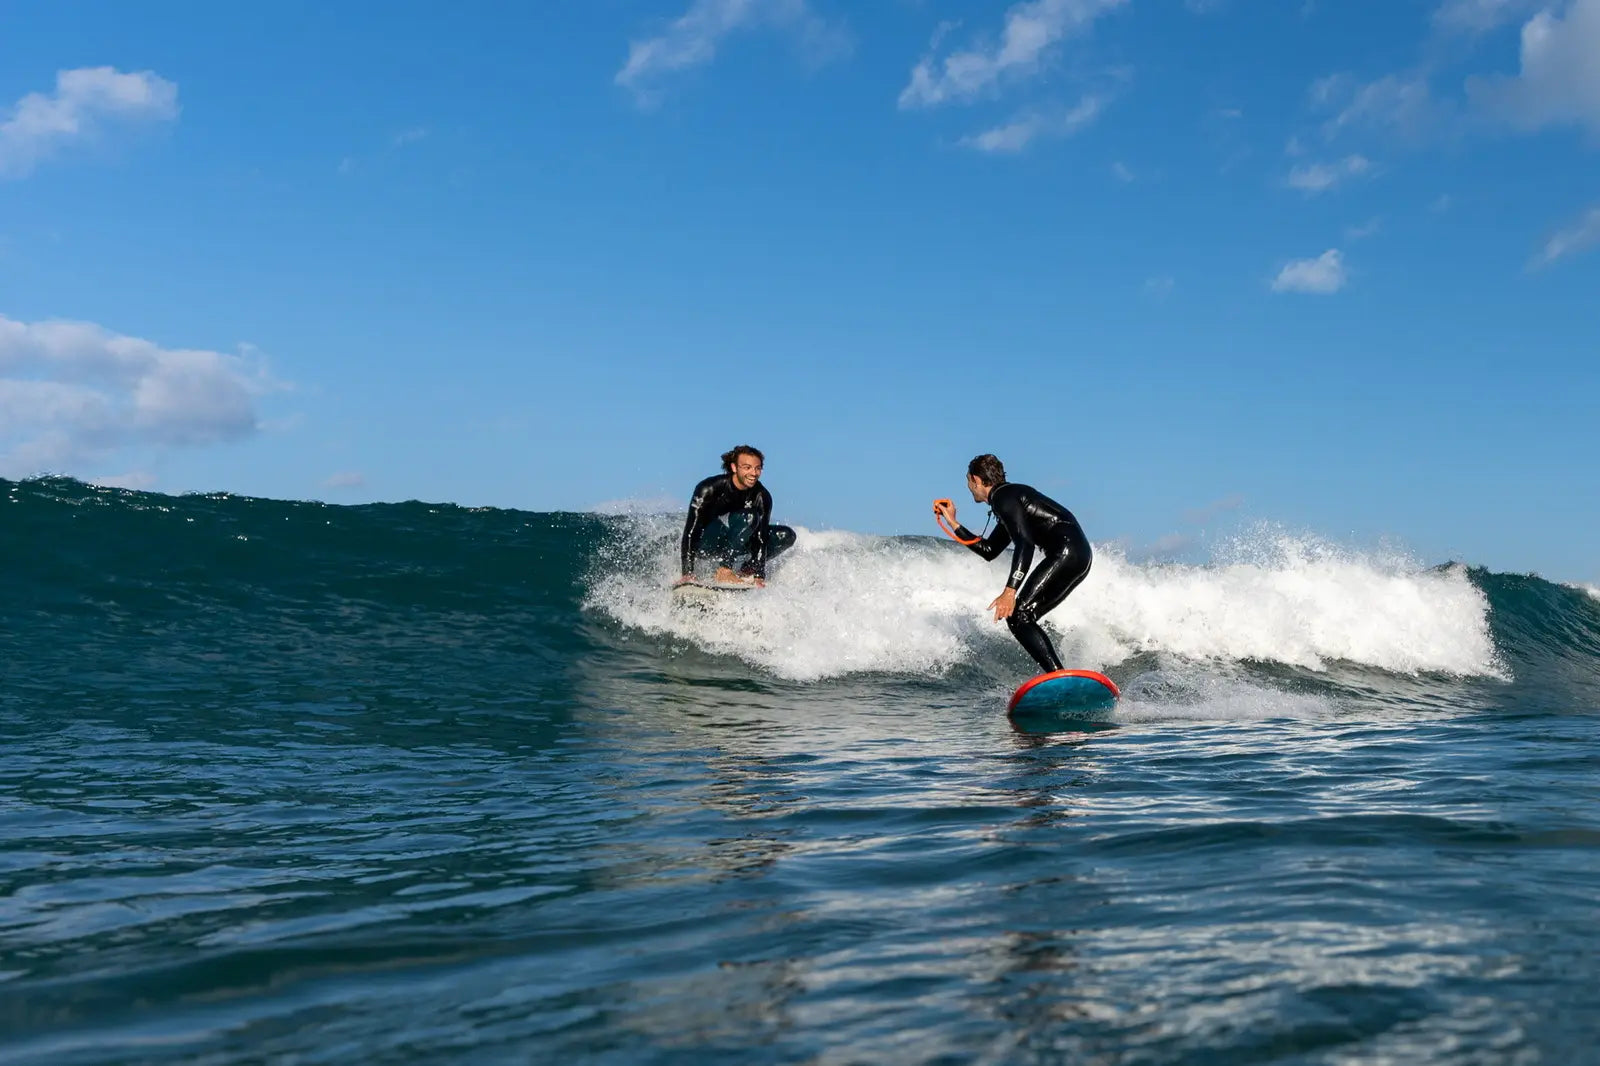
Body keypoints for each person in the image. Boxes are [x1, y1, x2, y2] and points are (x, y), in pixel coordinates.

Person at [933, 454, 1092, 674]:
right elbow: (990, 550)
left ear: (976, 479)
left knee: (1020, 615)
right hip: (1078, 555)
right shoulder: (1010, 499)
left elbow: (1024, 544)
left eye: (968, 481)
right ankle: (1059, 677)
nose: (969, 487)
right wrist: (953, 523)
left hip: (1066, 553)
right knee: (1022, 618)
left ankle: (1057, 675)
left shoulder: (1004, 498)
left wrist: (1009, 591)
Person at [678, 445, 796, 587]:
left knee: (786, 535)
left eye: (757, 468)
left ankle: (746, 570)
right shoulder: (708, 488)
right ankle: (724, 571)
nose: (753, 473)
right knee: (750, 516)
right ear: (734, 468)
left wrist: (759, 574)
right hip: (708, 541)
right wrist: (688, 573)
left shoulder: (762, 497)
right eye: (747, 467)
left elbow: (761, 537)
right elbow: (691, 530)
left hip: (737, 543)